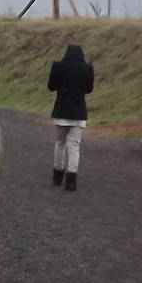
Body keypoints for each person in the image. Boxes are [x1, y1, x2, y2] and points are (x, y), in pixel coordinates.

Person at [47, 43, 94, 190]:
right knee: (74, 146)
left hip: (61, 111)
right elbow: (89, 89)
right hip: (79, 113)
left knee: (60, 143)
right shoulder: (87, 68)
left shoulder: (58, 66)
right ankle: (71, 180)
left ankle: (57, 176)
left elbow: (51, 86)